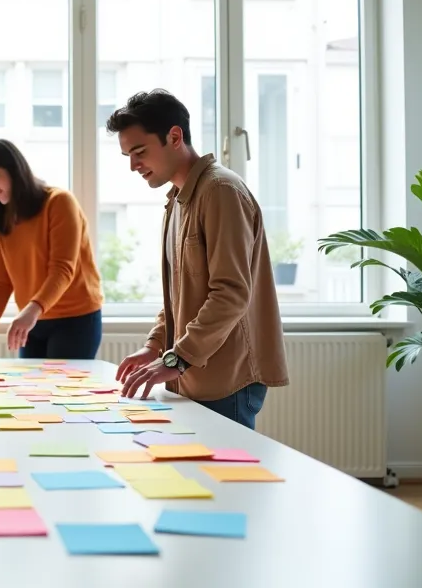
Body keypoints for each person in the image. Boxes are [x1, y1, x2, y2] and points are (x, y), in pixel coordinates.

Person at [108, 89, 288, 429]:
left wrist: (176, 359)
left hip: (224, 378)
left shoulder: (220, 191)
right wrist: (155, 347)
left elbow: (231, 294)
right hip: (191, 374)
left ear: (174, 136)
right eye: (127, 156)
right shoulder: (178, 200)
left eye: (139, 151)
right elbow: (179, 296)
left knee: (227, 481)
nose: (133, 165)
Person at [0, 139, 104, 361]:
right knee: (30, 393)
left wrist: (31, 312)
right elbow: (0, 283)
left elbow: (62, 269)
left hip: (75, 319)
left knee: (62, 394)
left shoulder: (59, 202)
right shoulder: (0, 220)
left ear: (14, 169)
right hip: (32, 322)